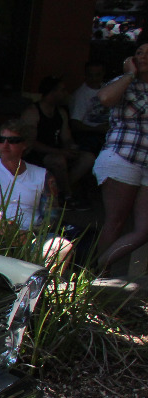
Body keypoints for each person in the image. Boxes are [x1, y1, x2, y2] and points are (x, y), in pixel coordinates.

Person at [0, 120, 73, 268]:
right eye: (1, 140)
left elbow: (52, 217)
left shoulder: (42, 176)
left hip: (31, 237)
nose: (5, 145)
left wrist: (27, 234)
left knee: (61, 246)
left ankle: (40, 287)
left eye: (13, 141)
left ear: (25, 144)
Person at [93, 41, 148, 272]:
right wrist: (129, 75)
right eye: (139, 52)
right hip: (122, 157)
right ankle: (92, 278)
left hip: (146, 162)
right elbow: (104, 98)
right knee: (115, 221)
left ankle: (99, 264)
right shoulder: (124, 82)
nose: (143, 56)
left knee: (144, 229)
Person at [21, 76, 95, 206]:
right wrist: (60, 151)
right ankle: (67, 196)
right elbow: (30, 143)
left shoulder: (61, 113)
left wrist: (71, 147)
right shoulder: (33, 112)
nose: (66, 93)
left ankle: (58, 190)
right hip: (37, 155)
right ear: (52, 92)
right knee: (58, 160)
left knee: (88, 158)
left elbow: (66, 137)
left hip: (58, 152)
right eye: (62, 90)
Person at [70, 61, 111, 154]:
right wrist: (97, 129)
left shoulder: (108, 88)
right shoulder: (80, 95)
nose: (94, 78)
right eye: (90, 75)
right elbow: (75, 124)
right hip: (89, 136)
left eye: (98, 75)